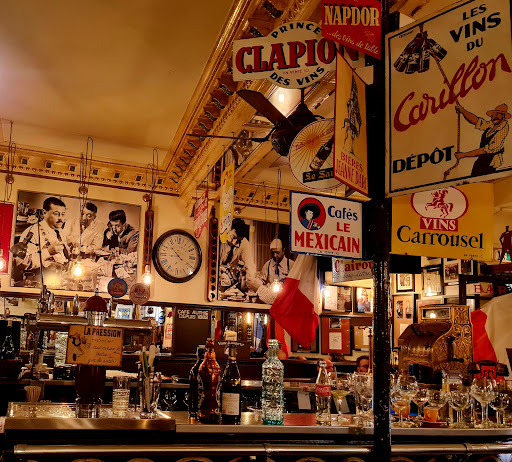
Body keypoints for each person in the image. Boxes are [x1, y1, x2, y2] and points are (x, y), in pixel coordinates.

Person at [14, 197, 71, 284]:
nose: (61, 218)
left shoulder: (59, 230)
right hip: (41, 279)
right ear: (44, 213)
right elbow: (20, 262)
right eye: (56, 214)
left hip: (61, 276)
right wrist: (47, 252)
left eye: (62, 214)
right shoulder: (31, 232)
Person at [455, 102, 510, 176]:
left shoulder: (503, 129)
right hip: (481, 160)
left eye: (497, 114)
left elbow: (485, 150)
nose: (494, 117)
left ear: (503, 116)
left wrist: (463, 155)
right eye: (492, 115)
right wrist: (462, 111)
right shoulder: (492, 124)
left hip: (490, 164)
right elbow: (476, 121)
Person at [219, 218, 256, 295]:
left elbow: (250, 264)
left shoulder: (244, 242)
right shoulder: (220, 236)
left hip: (229, 279)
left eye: (238, 240)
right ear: (229, 229)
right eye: (233, 237)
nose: (234, 242)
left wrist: (251, 283)